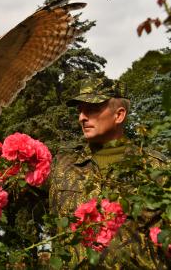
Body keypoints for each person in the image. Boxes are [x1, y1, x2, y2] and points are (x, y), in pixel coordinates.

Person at [48, 77, 169, 269]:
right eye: (80, 110)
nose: (82, 117)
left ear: (119, 115)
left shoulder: (156, 168)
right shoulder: (61, 165)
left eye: (92, 108)